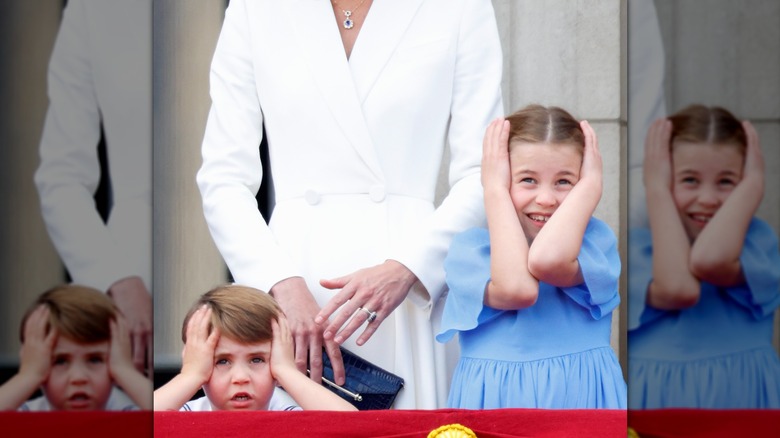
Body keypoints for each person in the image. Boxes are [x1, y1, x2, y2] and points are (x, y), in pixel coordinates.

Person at [196, 0, 503, 408]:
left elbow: (483, 173)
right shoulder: (256, 9)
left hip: (405, 290)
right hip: (291, 282)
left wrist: (408, 268)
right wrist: (278, 281)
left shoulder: (459, 7)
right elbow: (223, 177)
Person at [436, 105, 627, 409]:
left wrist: (591, 186)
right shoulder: (470, 252)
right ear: (501, 178)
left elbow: (547, 261)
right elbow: (517, 290)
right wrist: (493, 190)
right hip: (497, 408)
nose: (546, 199)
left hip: (578, 405)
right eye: (528, 180)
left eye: (564, 182)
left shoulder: (594, 245)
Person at [628, 105, 780, 408]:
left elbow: (710, 260)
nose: (708, 199)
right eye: (689, 180)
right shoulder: (635, 249)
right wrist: (656, 188)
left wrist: (753, 185)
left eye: (726, 182)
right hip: (655, 407)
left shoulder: (758, 244)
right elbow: (677, 289)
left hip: (739, 406)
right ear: (664, 176)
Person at [33, 0, 152, 374]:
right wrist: (115, 278)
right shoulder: (97, 10)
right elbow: (61, 176)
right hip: (142, 286)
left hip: (265, 270)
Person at [153, 285, 357, 411]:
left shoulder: (287, 417)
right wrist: (189, 376)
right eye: (222, 361)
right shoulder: (188, 414)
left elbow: (353, 427)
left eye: (257, 359)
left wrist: (287, 371)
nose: (241, 377)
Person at [0, 285, 151, 411]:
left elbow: (168, 424)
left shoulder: (126, 415)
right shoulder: (25, 415)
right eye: (60, 361)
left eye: (95, 359)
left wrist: (125, 372)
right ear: (33, 363)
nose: (79, 378)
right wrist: (28, 376)